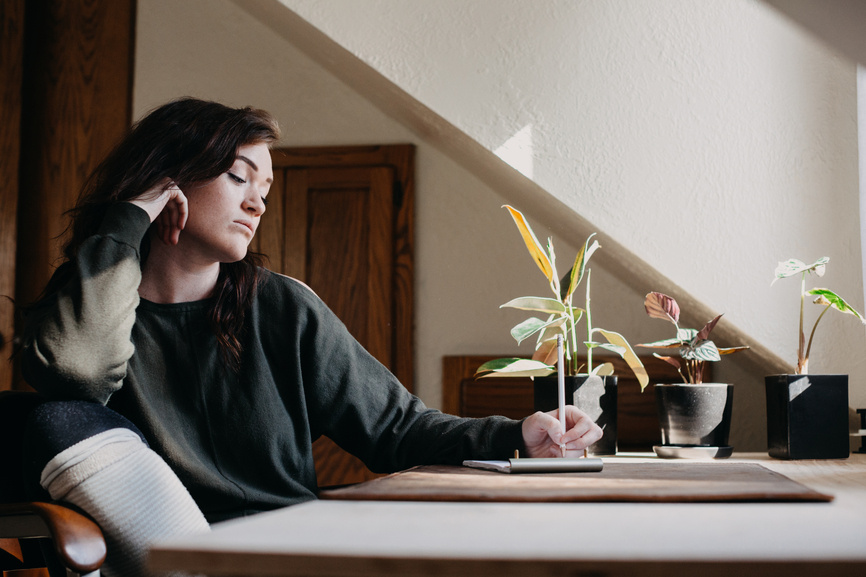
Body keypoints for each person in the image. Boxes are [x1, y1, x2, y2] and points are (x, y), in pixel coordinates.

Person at [19, 97, 603, 577]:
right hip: (161, 558)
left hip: (288, 556)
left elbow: (398, 429)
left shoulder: (282, 308)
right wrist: (128, 220)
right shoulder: (90, 304)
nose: (256, 202)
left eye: (265, 189)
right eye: (237, 177)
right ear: (165, 179)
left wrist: (517, 435)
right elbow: (75, 379)